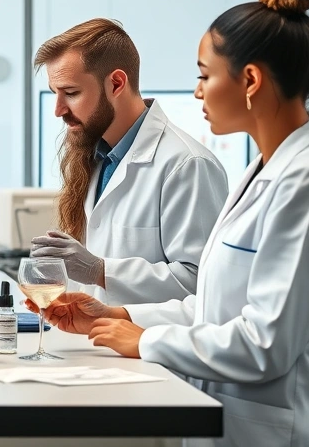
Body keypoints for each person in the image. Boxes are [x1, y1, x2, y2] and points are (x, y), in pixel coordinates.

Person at [36, 0, 309, 447]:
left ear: (250, 81)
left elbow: (264, 346)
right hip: (229, 421)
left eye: (205, 76)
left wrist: (146, 339)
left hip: (279, 434)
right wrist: (120, 316)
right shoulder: (269, 171)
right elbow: (215, 308)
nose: (196, 93)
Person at [30, 18, 229, 305]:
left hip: (149, 346)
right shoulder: (97, 155)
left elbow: (201, 284)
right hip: (95, 343)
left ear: (116, 83)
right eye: (55, 94)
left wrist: (100, 271)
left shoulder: (187, 164)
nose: (58, 110)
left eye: (71, 93)